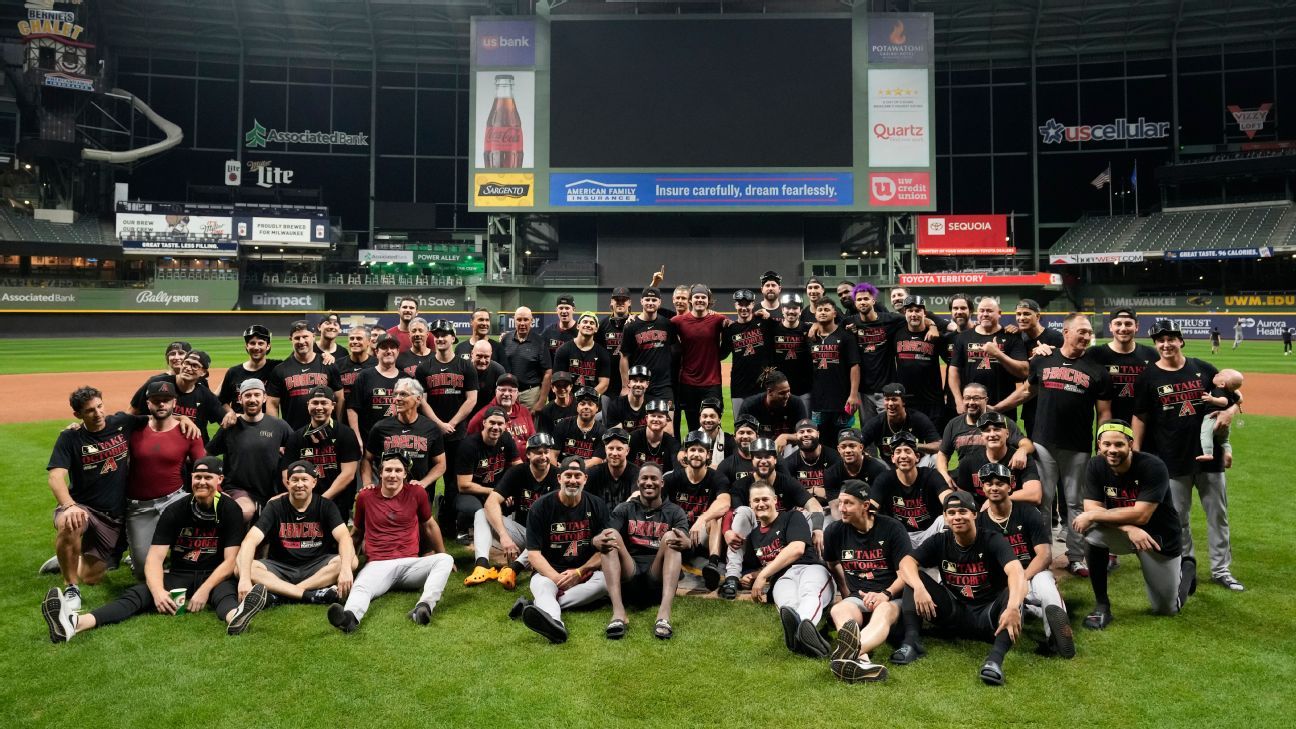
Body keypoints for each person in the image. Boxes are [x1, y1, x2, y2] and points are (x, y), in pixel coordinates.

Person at [42, 456, 268, 642]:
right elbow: (154, 559)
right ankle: (75, 623)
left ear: (219, 479)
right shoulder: (176, 510)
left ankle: (236, 618)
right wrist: (159, 592)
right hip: (180, 574)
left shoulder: (230, 510)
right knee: (138, 594)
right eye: (197, 477)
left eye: (208, 477)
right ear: (190, 478)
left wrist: (205, 590)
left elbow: (230, 561)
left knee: (224, 595)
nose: (201, 482)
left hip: (214, 575)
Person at [996, 313, 1112, 575]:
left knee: (1075, 502)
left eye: (1088, 332)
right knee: (1043, 500)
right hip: (1044, 441)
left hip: (1078, 445)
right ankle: (1043, 553)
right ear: (1066, 332)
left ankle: (1076, 556)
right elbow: (1027, 391)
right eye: (1080, 331)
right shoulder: (1043, 358)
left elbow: (1104, 412)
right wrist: (998, 408)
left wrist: (1101, 442)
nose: (1085, 336)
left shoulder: (1096, 369)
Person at [1134, 320, 1243, 591]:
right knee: (1178, 518)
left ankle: (1221, 569)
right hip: (1170, 458)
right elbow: (1140, 416)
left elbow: (1234, 396)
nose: (1166, 344)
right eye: (1160, 340)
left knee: (1218, 515)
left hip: (1210, 458)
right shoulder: (1148, 377)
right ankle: (1186, 565)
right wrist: (1136, 453)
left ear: (1181, 341)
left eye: (1171, 338)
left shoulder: (1203, 368)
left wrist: (1230, 411)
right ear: (1156, 344)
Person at [894, 491, 1026, 686]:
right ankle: (911, 642)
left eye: (962, 511)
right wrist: (919, 587)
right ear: (945, 517)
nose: (957, 517)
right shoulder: (940, 540)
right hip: (953, 613)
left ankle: (994, 661)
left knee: (1014, 592)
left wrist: (1013, 606)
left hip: (989, 618)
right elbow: (906, 562)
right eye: (951, 512)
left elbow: (1016, 571)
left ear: (974, 514)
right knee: (913, 580)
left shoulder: (992, 539)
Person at [1073, 421, 1188, 628]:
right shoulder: (1095, 465)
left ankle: (1187, 570)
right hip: (1128, 532)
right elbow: (1091, 510)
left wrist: (1128, 523)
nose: (1112, 450)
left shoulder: (1153, 466)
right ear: (1099, 445)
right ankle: (1102, 606)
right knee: (1092, 531)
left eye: (1119, 444)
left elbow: (1141, 515)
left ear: (1130, 444)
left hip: (1157, 536)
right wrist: (1128, 528)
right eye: (1106, 444)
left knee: (1166, 609)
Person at [327, 452, 453, 632]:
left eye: (397, 470)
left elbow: (430, 526)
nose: (392, 474)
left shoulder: (417, 493)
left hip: (410, 564)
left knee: (445, 559)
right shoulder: (365, 497)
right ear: (380, 473)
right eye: (388, 470)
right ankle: (349, 618)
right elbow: (356, 534)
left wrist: (442, 551)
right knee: (362, 587)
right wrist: (348, 566)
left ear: (405, 474)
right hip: (377, 564)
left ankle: (423, 607)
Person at [45, 387, 144, 603]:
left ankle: (67, 558)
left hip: (112, 514)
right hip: (83, 506)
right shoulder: (70, 438)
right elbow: (55, 477)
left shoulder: (122, 423)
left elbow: (158, 420)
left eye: (99, 407)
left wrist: (183, 418)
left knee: (92, 578)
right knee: (70, 522)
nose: (97, 414)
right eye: (89, 411)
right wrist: (70, 506)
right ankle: (71, 588)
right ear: (78, 415)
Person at [976, 462, 1074, 658]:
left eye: (999, 483)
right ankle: (1031, 609)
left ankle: (1057, 638)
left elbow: (1044, 555)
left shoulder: (1028, 512)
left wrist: (1023, 578)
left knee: (1046, 587)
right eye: (988, 483)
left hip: (1033, 572)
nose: (994, 487)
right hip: (1002, 581)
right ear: (983, 488)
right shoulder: (980, 522)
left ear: (1010, 485)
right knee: (1004, 607)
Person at [514, 457, 612, 644]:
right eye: (568, 475)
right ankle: (556, 625)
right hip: (548, 573)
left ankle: (534, 606)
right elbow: (533, 553)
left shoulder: (597, 505)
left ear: (585, 479)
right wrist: (556, 578)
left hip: (585, 572)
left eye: (577, 476)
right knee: (543, 588)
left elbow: (604, 551)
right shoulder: (540, 507)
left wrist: (579, 572)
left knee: (606, 583)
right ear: (559, 478)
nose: (572, 480)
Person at [235, 461, 357, 607]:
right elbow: (250, 541)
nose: (299, 484)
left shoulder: (326, 505)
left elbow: (344, 537)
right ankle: (309, 594)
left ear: (314, 482)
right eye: (295, 480)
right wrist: (244, 580)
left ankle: (282, 595)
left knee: (352, 561)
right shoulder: (275, 506)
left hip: (316, 567)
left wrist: (344, 570)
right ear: (287, 483)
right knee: (240, 568)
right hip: (281, 568)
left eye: (304, 479)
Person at [825, 480, 912, 682]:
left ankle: (851, 655)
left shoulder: (892, 528)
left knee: (883, 610)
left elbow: (906, 572)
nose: (841, 509)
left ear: (865, 506)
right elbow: (833, 563)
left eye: (848, 503)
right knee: (838, 609)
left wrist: (885, 594)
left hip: (892, 596)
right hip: (859, 597)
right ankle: (863, 663)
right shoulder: (834, 532)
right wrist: (846, 592)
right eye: (840, 502)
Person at [737, 481, 834, 657]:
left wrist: (763, 575)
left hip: (809, 567)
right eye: (756, 500)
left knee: (809, 592)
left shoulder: (792, 517)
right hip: (781, 578)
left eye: (765, 499)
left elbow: (797, 548)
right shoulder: (753, 537)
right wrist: (750, 577)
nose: (761, 504)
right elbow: (751, 568)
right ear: (750, 504)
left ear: (775, 500)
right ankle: (805, 637)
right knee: (788, 605)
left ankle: (802, 631)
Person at [594, 463, 690, 639]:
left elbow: (684, 540)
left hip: (658, 576)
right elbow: (604, 535)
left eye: (654, 478)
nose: (649, 482)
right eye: (644, 478)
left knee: (671, 537)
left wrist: (686, 542)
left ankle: (664, 615)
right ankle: (618, 613)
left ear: (662, 483)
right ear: (637, 483)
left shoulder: (675, 512)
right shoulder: (625, 509)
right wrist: (596, 540)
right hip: (629, 576)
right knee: (611, 536)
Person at [720, 438, 825, 599]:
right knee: (742, 512)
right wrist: (727, 531)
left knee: (805, 516)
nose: (763, 461)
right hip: (754, 543)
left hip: (782, 543)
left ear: (775, 459)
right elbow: (730, 511)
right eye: (758, 457)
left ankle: (809, 567)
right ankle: (732, 577)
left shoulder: (787, 481)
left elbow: (814, 505)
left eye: (767, 456)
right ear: (752, 460)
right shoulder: (741, 485)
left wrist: (817, 528)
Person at [123, 380, 207, 579]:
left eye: (166, 400)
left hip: (175, 500)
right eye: (156, 400)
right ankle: (140, 556)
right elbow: (102, 427)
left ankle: (171, 559)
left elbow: (203, 469)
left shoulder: (189, 431)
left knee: (196, 557)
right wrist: (78, 427)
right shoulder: (134, 428)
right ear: (148, 403)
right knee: (144, 573)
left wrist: (215, 499)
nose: (162, 404)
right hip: (139, 507)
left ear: (174, 402)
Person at [465, 433, 557, 590]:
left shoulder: (558, 477)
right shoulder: (518, 472)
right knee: (481, 513)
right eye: (538, 452)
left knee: (550, 532)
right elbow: (491, 502)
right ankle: (482, 566)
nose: (543, 456)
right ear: (528, 454)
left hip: (547, 539)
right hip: (522, 534)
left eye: (546, 452)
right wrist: (504, 536)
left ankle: (514, 569)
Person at [416, 319, 479, 532]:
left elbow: (471, 399)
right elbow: (421, 400)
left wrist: (451, 423)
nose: (440, 338)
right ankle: (424, 525)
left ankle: (449, 524)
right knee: (428, 480)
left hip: (457, 433)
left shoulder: (465, 365)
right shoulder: (424, 368)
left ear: (453, 337)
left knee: (454, 481)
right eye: (437, 335)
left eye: (445, 334)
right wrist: (439, 424)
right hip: (432, 433)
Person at [208, 379, 294, 521]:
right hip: (237, 489)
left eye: (256, 395)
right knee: (246, 511)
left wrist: (285, 451)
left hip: (269, 490)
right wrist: (217, 486)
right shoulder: (230, 426)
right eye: (247, 395)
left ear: (264, 397)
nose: (252, 399)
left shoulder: (279, 426)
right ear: (240, 399)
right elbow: (208, 454)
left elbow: (297, 449)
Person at [281, 385, 362, 521]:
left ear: (333, 406)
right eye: (315, 403)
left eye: (324, 403)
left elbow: (348, 474)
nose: (319, 407)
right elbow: (286, 474)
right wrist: (305, 499)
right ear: (308, 405)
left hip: (337, 502)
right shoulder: (296, 437)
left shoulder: (345, 434)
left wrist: (321, 501)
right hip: (303, 501)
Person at [663, 431, 732, 590]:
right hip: (681, 533)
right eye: (692, 450)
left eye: (701, 451)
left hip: (703, 534)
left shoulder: (716, 477)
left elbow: (724, 502)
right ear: (685, 454)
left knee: (717, 515)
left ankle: (713, 565)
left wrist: (702, 519)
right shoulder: (673, 477)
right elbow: (652, 495)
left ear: (708, 455)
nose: (696, 454)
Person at [362, 378, 446, 500]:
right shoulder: (380, 427)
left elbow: (441, 464)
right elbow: (367, 459)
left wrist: (424, 483)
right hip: (388, 494)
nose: (397, 398)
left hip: (419, 495)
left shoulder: (431, 428)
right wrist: (367, 483)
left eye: (403, 394)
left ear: (418, 399)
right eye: (395, 394)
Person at [934, 383, 1031, 489]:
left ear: (986, 400)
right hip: (965, 477)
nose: (971, 402)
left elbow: (1026, 443)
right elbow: (943, 454)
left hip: (996, 478)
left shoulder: (1000, 422)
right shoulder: (954, 424)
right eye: (967, 398)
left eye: (976, 398)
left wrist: (1022, 450)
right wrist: (944, 474)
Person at [947, 298, 1029, 421]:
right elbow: (954, 371)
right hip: (971, 406)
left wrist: (998, 354)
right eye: (982, 311)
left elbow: (1024, 372)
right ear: (977, 313)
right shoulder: (963, 337)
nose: (985, 314)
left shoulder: (1012, 337)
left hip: (1003, 407)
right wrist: (958, 401)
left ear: (999, 313)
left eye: (989, 311)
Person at [869, 432, 951, 548]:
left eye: (908, 451)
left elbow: (950, 500)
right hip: (900, 536)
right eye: (898, 452)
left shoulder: (931, 475)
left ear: (917, 457)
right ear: (893, 458)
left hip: (931, 533)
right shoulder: (884, 479)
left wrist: (950, 507)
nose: (903, 456)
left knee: (947, 517)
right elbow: (871, 508)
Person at [844, 283, 912, 423]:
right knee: (868, 432)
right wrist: (814, 327)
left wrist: (932, 325)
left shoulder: (890, 319)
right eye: (859, 300)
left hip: (886, 390)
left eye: (866, 299)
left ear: (873, 301)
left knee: (889, 429)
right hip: (864, 391)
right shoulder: (850, 322)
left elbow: (915, 318)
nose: (863, 302)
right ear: (855, 303)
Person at [129, 349, 227, 442]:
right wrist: (181, 418)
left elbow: (226, 423)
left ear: (203, 372)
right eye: (186, 363)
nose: (188, 368)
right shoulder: (157, 383)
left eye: (195, 366)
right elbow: (132, 413)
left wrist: (230, 414)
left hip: (192, 449)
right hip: (158, 444)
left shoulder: (206, 395)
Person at [455, 406, 522, 537]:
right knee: (475, 511)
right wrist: (497, 492)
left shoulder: (506, 438)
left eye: (500, 423)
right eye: (492, 422)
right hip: (471, 492)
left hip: (495, 488)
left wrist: (513, 490)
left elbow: (518, 467)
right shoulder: (468, 446)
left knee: (523, 497)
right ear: (484, 422)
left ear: (506, 425)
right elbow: (463, 485)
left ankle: (519, 531)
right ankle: (462, 529)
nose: (496, 427)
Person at [954, 412, 1043, 508]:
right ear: (982, 436)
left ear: (1007, 434)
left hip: (1014, 513)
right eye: (987, 431)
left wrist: (996, 500)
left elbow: (1035, 495)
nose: (992, 434)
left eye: (997, 429)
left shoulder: (1021, 459)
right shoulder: (969, 461)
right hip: (983, 515)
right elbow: (963, 497)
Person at [671, 284, 729, 432]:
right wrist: (631, 318)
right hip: (688, 383)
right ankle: (694, 454)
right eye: (697, 297)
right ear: (691, 300)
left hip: (712, 383)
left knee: (713, 425)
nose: (700, 300)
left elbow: (738, 326)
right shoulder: (678, 321)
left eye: (703, 297)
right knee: (693, 426)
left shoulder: (718, 319)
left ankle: (715, 455)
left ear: (708, 300)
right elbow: (655, 323)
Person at [266, 320, 343, 430]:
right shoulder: (280, 370)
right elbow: (272, 404)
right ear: (290, 339)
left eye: (305, 336)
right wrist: (277, 433)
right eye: (297, 338)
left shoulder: (328, 364)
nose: (301, 341)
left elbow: (339, 399)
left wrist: (338, 426)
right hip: (293, 433)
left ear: (313, 337)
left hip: (326, 432)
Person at [1087, 308, 1157, 425]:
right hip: (1109, 432)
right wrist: (1045, 348)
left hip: (1144, 431)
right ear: (1110, 327)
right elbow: (1068, 359)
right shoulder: (1094, 355)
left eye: (1128, 324)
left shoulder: (1151, 355)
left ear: (1137, 327)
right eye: (1118, 324)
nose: (1123, 328)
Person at [807, 299, 861, 448]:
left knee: (844, 443)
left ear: (834, 313)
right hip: (818, 400)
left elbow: (854, 365)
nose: (823, 312)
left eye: (826, 309)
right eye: (820, 310)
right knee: (820, 443)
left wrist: (853, 395)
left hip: (842, 400)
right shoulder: (811, 338)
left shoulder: (846, 336)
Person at [893, 295, 948, 425]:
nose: (914, 314)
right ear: (904, 313)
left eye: (918, 310)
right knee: (908, 441)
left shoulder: (936, 336)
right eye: (910, 311)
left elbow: (951, 364)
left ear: (924, 313)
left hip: (932, 400)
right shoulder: (896, 334)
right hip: (906, 400)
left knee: (935, 441)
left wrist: (946, 392)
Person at [1013, 298, 1065, 437]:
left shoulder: (1055, 337)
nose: (1021, 318)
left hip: (1054, 404)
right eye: (1018, 314)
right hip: (1031, 405)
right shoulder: (1020, 340)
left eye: (1026, 314)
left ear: (1038, 316)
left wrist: (1052, 353)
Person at [619, 286, 677, 403]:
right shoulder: (631, 326)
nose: (650, 303)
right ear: (641, 301)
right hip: (640, 383)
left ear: (659, 302)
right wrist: (625, 386)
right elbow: (624, 357)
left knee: (666, 419)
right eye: (647, 300)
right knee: (641, 420)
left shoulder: (667, 324)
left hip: (663, 385)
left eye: (654, 300)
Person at [859, 383, 941, 464]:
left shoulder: (918, 419)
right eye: (887, 399)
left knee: (935, 458)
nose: (890, 404)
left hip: (917, 468)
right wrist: (867, 459)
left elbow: (939, 445)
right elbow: (857, 444)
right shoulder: (877, 422)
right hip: (888, 470)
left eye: (894, 399)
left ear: (903, 402)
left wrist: (915, 445)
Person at [347, 334, 404, 444]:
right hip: (369, 443)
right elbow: (352, 409)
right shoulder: (365, 376)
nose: (389, 351)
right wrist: (357, 438)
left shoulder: (406, 379)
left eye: (392, 347)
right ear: (377, 352)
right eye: (384, 347)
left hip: (398, 442)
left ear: (397, 351)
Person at [782, 418, 842, 517]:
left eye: (809, 431)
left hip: (831, 507)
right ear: (796, 436)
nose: (805, 434)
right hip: (803, 510)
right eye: (801, 432)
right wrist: (814, 491)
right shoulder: (789, 463)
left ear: (818, 434)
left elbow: (843, 488)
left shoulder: (834, 458)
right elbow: (788, 494)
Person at [723, 289, 772, 411]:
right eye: (740, 304)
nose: (744, 308)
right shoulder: (730, 329)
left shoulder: (763, 323)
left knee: (761, 425)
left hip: (761, 386)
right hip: (739, 386)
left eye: (747, 304)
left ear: (753, 304)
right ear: (735, 305)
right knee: (740, 425)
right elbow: (721, 354)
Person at [738, 370, 809, 451]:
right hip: (759, 449)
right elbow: (740, 435)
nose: (787, 396)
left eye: (788, 391)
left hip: (788, 447)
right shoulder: (750, 406)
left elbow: (805, 434)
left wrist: (785, 437)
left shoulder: (796, 403)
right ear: (769, 391)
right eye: (782, 393)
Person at [501, 306, 553, 412]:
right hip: (508, 392)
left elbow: (548, 372)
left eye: (526, 319)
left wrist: (541, 401)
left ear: (531, 321)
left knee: (530, 427)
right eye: (519, 319)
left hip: (530, 395)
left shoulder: (540, 342)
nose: (522, 323)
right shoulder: (506, 339)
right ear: (514, 320)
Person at [218, 324, 282, 411]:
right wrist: (231, 414)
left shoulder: (276, 367)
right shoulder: (233, 372)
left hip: (266, 424)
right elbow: (222, 401)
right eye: (252, 343)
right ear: (246, 346)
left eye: (260, 343)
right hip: (239, 423)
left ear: (268, 346)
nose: (256, 347)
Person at [821, 429, 889, 510]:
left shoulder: (878, 469)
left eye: (852, 446)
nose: (848, 450)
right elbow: (835, 507)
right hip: (845, 514)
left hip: (872, 513)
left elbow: (878, 505)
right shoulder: (831, 473)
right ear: (839, 449)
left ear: (861, 447)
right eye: (843, 447)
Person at [768, 292, 812, 406]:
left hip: (804, 390)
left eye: (795, 308)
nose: (791, 311)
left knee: (803, 423)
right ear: (782, 310)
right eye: (787, 308)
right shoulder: (773, 329)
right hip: (780, 391)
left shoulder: (809, 329)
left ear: (800, 310)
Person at [468, 373, 537, 444]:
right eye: (503, 390)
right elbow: (471, 442)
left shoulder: (524, 411)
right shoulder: (483, 415)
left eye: (511, 390)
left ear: (517, 393)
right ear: (496, 392)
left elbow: (532, 438)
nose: (506, 394)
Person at [553, 312, 611, 395]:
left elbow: (604, 384)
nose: (588, 325)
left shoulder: (602, 353)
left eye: (592, 323)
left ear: (596, 329)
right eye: (585, 322)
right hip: (568, 399)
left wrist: (586, 398)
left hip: (592, 401)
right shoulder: (563, 350)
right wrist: (571, 400)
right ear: (578, 326)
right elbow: (559, 380)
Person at [597, 287, 633, 411]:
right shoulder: (603, 325)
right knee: (609, 420)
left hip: (631, 380)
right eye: (617, 299)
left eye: (624, 299)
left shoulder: (635, 323)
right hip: (609, 381)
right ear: (611, 302)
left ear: (629, 302)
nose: (620, 302)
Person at [1197, 368, 1243, 462]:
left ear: (1222, 384)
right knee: (1224, 441)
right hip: (1225, 421)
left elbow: (1224, 402)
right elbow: (1240, 400)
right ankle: (1228, 454)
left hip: (1212, 417)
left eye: (1219, 375)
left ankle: (1208, 453)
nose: (1216, 374)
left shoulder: (1219, 390)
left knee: (1206, 434)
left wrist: (1212, 399)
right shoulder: (1231, 392)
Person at [551, 387, 605, 467]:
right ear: (577, 407)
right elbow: (553, 454)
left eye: (590, 404)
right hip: (562, 474)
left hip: (588, 474)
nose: (586, 407)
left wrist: (569, 467)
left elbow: (597, 460)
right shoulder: (563, 425)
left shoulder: (602, 432)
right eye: (582, 404)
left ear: (597, 408)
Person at [585, 428, 640, 505]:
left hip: (626, 515)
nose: (614, 453)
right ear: (605, 450)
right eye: (611, 448)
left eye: (619, 449)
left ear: (627, 451)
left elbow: (637, 495)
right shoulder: (594, 472)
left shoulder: (636, 473)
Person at [627, 400, 679, 470]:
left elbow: (675, 471)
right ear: (646, 419)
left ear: (666, 421)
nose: (656, 419)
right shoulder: (633, 438)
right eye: (653, 416)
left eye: (660, 416)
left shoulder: (672, 443)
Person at [334, 324, 377, 407]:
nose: (354, 341)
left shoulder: (377, 364)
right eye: (351, 338)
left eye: (359, 338)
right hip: (344, 414)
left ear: (368, 341)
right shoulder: (338, 365)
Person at [468, 339, 508, 418]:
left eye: (486, 357)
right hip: (465, 415)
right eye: (479, 356)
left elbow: (501, 399)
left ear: (491, 355)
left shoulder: (498, 370)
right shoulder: (463, 369)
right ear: (472, 354)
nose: (482, 361)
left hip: (490, 415)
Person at [606, 365, 651, 433]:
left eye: (642, 381)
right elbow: (616, 436)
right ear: (629, 383)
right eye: (635, 380)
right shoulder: (616, 405)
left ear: (647, 384)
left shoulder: (652, 405)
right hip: (624, 443)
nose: (638, 384)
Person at [696, 397, 736, 466]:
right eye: (704, 416)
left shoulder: (729, 441)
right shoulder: (691, 440)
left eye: (712, 416)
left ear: (719, 419)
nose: (708, 420)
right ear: (700, 419)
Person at [542, 293, 579, 358]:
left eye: (567, 308)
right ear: (556, 310)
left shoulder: (580, 332)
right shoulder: (549, 331)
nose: (564, 311)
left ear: (573, 310)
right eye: (561, 308)